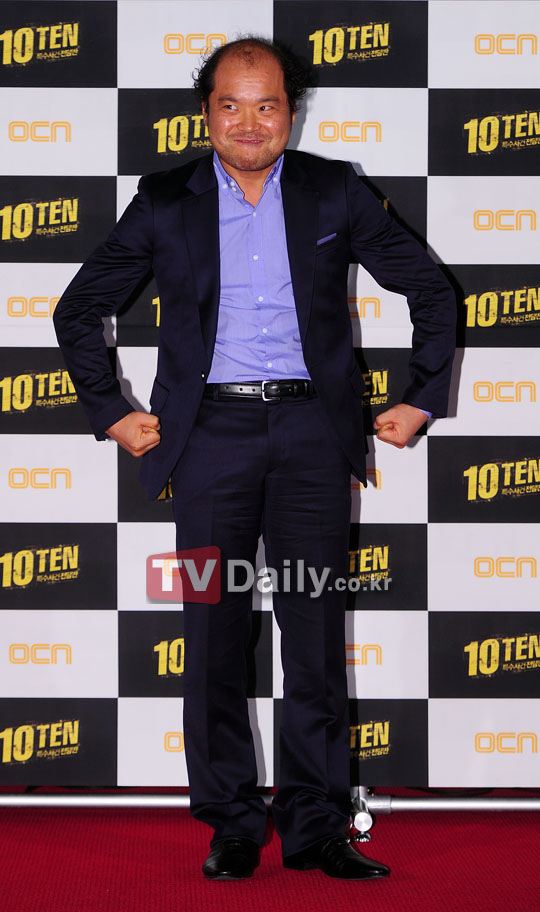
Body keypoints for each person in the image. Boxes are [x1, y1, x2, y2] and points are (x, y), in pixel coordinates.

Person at [54, 37, 456, 881]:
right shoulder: (164, 200)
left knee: (314, 638)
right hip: (207, 444)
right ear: (206, 114)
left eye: (266, 105)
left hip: (314, 442)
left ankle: (316, 826)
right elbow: (79, 308)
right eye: (230, 105)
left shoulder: (333, 189)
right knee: (213, 638)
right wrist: (112, 412)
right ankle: (232, 823)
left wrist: (422, 394)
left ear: (290, 113)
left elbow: (429, 287)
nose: (249, 123)